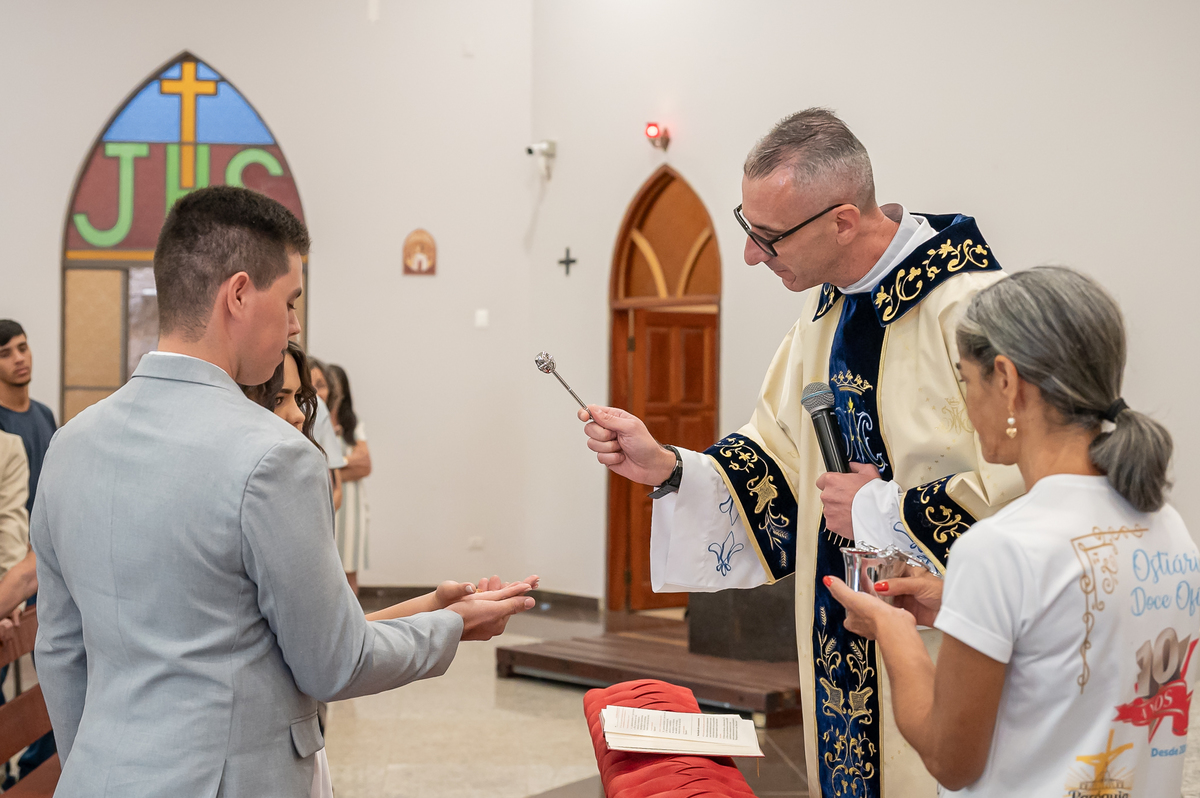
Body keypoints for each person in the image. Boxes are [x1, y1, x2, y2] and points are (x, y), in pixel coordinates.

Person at [32, 185, 536, 797]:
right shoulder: (273, 455)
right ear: (239, 294)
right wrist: (453, 625)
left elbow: (59, 650)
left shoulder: (71, 443)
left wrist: (96, 767)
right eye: (291, 300)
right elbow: (335, 663)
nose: (295, 324)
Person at [578, 108, 1025, 796]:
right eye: (747, 226)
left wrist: (882, 510)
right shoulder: (825, 320)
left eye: (769, 236)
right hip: (838, 636)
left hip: (947, 641)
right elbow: (777, 461)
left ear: (842, 221)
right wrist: (668, 465)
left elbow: (1029, 485)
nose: (751, 254)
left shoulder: (975, 312)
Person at [828, 267, 1190, 796]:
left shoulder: (1001, 548)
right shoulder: (1165, 524)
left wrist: (893, 631)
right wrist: (962, 604)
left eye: (966, 380)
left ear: (1006, 380)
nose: (969, 405)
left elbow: (951, 760)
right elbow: (1075, 644)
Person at [0, 319, 57, 781]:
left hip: (45, 562)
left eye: (22, 347)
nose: (19, 358)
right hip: (11, 567)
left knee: (56, 674)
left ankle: (35, 768)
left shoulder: (43, 415)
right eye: (6, 353)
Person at [328, 364, 370, 596]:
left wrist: (333, 466)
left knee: (349, 570)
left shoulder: (353, 423)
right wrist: (347, 463)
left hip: (352, 509)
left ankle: (355, 617)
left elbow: (365, 464)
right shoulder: (315, 420)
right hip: (327, 501)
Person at [309, 357, 345, 510]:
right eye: (306, 385)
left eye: (320, 385)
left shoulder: (322, 413)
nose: (314, 394)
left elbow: (337, 491)